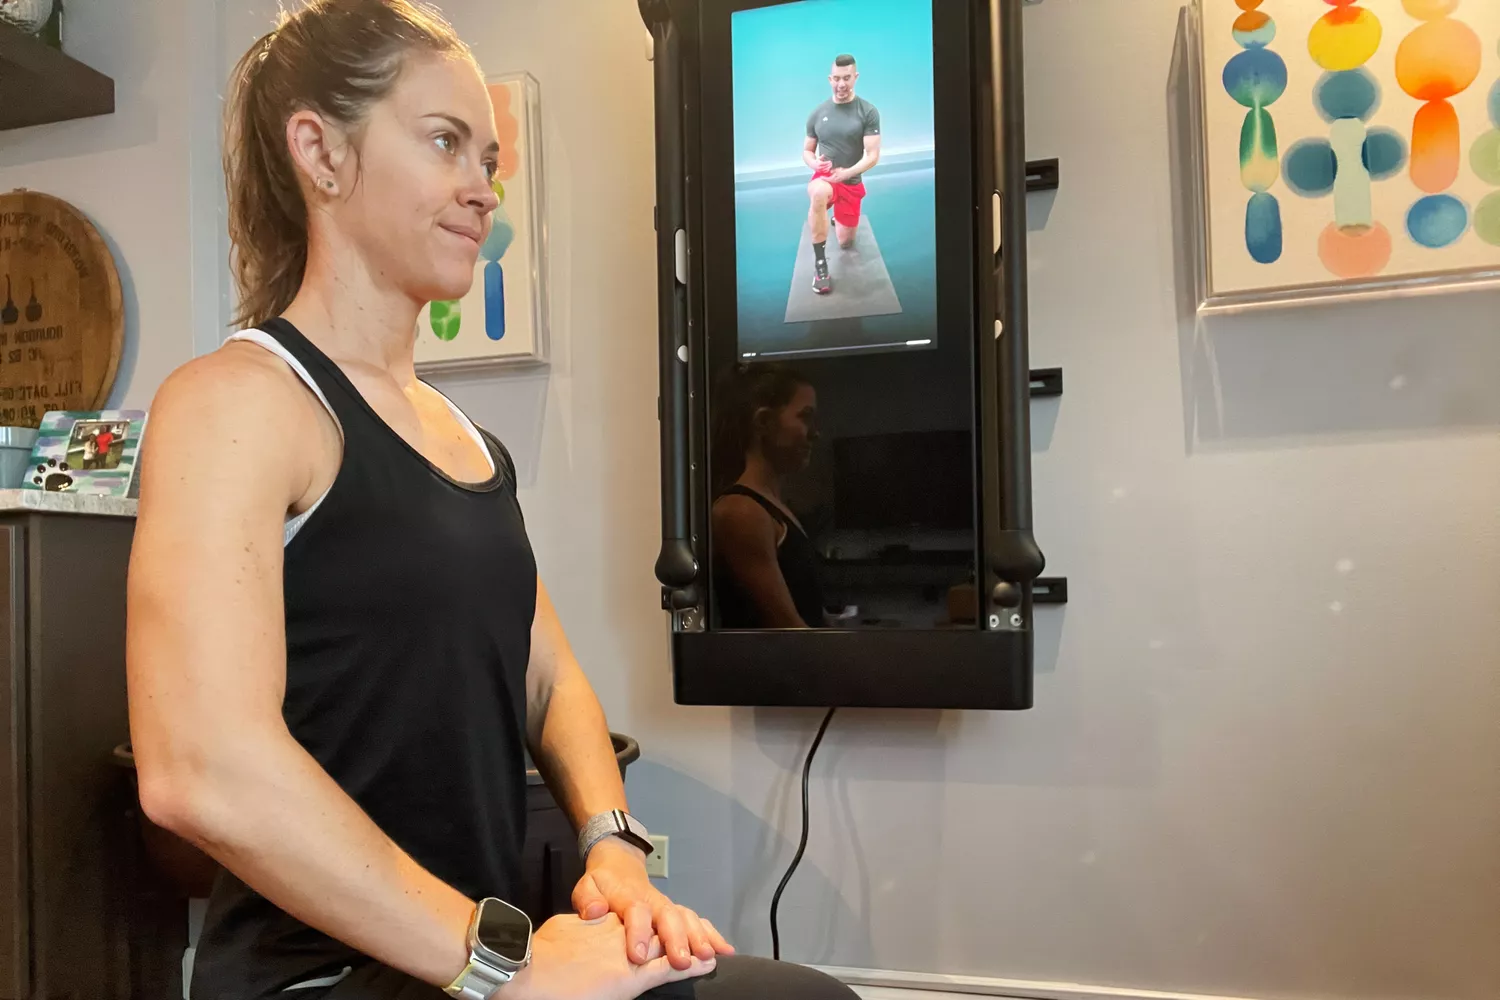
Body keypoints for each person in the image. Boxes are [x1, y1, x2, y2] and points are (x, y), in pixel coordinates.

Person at [124, 3, 859, 999]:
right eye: (445, 144)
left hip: (470, 959)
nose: (483, 187)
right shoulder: (234, 402)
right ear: (320, 152)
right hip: (328, 976)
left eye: (488, 158)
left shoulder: (467, 439)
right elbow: (198, 767)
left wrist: (614, 848)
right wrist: (498, 959)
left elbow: (549, 680)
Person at [710, 365, 826, 629]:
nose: (815, 433)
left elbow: (810, 614)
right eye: (805, 417)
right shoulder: (741, 511)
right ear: (763, 422)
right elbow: (789, 627)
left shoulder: (773, 509)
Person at [802, 54, 882, 296]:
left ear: (855, 77)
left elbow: (872, 155)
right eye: (836, 78)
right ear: (830, 79)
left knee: (846, 242)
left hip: (850, 181)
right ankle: (820, 266)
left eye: (847, 78)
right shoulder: (817, 113)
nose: (841, 84)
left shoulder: (868, 111)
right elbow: (807, 151)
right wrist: (815, 164)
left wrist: (846, 173)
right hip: (826, 180)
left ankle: (840, 219)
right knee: (817, 193)